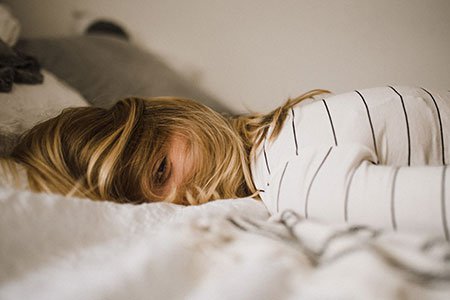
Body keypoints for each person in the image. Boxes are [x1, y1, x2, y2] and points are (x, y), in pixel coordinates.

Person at [2, 86, 449, 237]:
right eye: (155, 208)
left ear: (174, 115)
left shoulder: (288, 172)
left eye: (161, 171)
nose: (183, 202)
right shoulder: (283, 150)